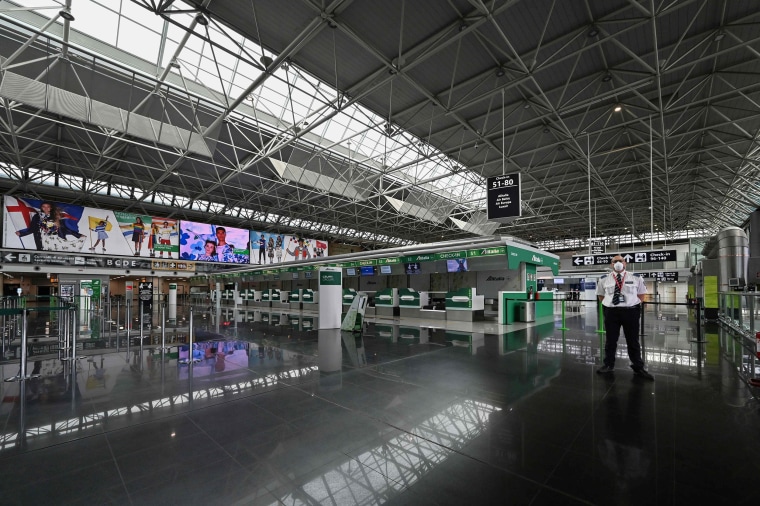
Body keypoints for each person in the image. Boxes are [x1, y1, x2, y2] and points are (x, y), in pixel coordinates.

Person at [596, 255, 654, 380]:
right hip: (611, 312)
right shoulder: (603, 279)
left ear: (625, 263)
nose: (618, 263)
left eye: (620, 261)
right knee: (610, 341)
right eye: (614, 261)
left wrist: (631, 305)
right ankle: (608, 364)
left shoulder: (636, 277)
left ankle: (638, 367)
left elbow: (641, 294)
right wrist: (610, 306)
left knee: (633, 341)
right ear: (611, 264)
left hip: (631, 312)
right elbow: (601, 296)